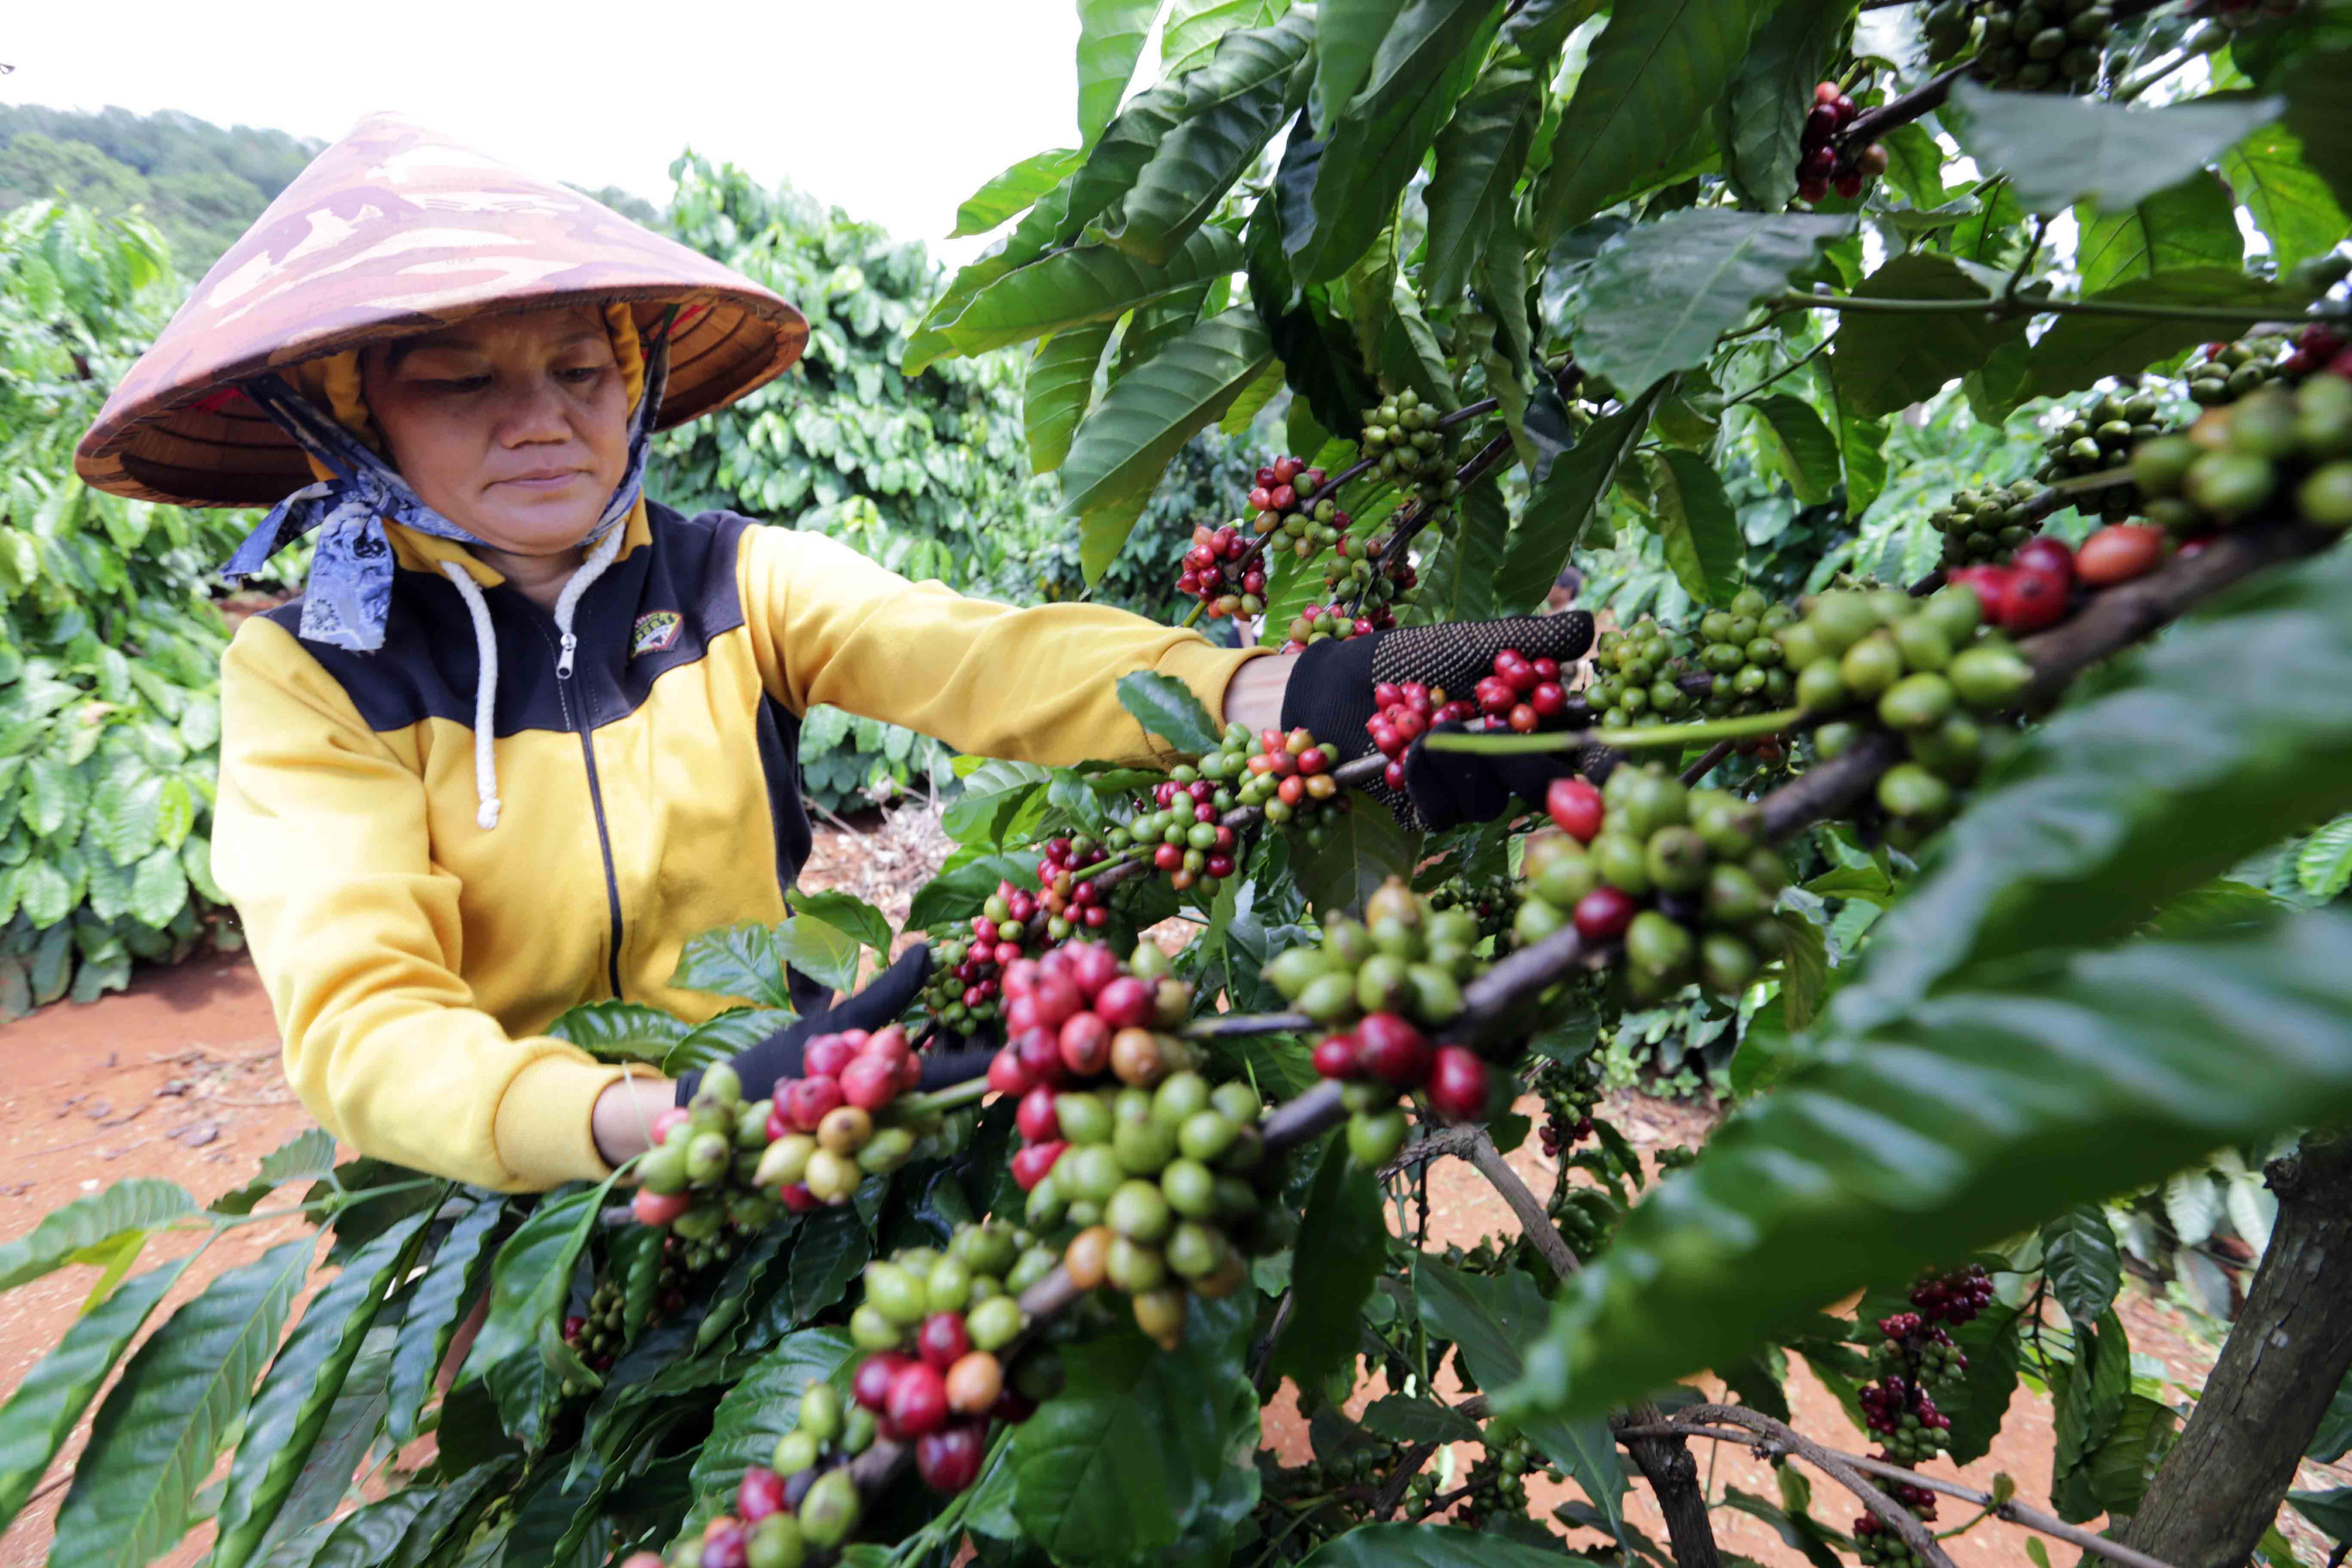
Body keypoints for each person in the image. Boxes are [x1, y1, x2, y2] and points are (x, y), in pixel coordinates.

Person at [78, 116, 1591, 1193]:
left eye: (582, 369)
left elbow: (970, 655)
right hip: (512, 1185)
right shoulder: (317, 674)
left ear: (637, 383)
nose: (540, 419)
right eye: (459, 380)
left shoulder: (727, 580)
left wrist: (1288, 695)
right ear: (354, 422)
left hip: (785, 1114)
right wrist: (654, 1119)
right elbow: (366, 1023)